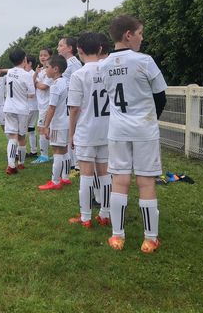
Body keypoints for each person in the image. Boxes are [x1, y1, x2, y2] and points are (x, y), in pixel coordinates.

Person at [100, 14, 167, 253]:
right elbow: (161, 96)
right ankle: (150, 238)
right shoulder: (144, 61)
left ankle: (117, 236)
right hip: (144, 129)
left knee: (119, 180)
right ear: (128, 35)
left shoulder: (103, 65)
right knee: (146, 181)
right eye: (139, 33)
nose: (142, 37)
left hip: (117, 129)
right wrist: (148, 121)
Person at [68, 32, 112, 227]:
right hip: (108, 129)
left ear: (79, 51)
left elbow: (74, 108)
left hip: (87, 130)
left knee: (86, 175)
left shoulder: (79, 74)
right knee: (105, 174)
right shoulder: (110, 70)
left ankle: (85, 217)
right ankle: (105, 213)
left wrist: (71, 134)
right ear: (101, 49)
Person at [38, 55, 70, 190]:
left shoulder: (56, 85)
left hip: (59, 122)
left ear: (56, 69)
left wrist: (45, 126)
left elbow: (52, 107)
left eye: (48, 67)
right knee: (64, 150)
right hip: (67, 121)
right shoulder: (67, 82)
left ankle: (55, 181)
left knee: (57, 150)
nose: (45, 70)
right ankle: (66, 177)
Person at [3, 48, 35, 174]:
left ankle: (11, 165)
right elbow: (31, 94)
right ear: (25, 59)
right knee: (21, 136)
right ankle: (20, 163)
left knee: (12, 137)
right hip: (22, 109)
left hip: (9, 107)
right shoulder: (27, 75)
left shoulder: (9, 72)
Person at [58, 37, 83, 180]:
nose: (58, 48)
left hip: (74, 102)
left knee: (75, 131)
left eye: (61, 45)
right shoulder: (66, 63)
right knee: (70, 131)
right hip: (68, 102)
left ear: (69, 48)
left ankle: (78, 165)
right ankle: (73, 164)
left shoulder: (74, 64)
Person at [32, 48, 53, 164]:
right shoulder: (40, 71)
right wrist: (36, 73)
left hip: (47, 105)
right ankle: (50, 154)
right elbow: (33, 82)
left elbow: (43, 86)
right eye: (41, 55)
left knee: (42, 129)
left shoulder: (50, 71)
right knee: (45, 129)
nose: (43, 57)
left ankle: (44, 155)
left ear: (50, 56)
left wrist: (36, 83)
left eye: (45, 55)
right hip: (41, 104)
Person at [24, 56, 39, 157]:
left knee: (22, 129)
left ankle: (20, 152)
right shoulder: (31, 73)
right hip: (33, 106)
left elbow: (32, 87)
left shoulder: (31, 74)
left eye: (24, 61)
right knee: (31, 129)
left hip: (29, 106)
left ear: (29, 63)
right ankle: (33, 151)